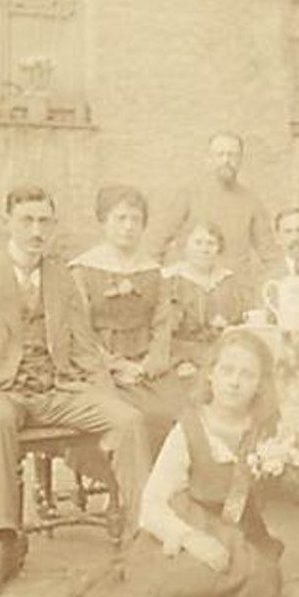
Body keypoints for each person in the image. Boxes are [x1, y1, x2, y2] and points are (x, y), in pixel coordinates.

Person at [0, 185, 151, 597]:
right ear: (8, 222)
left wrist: (105, 396)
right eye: (27, 220)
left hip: (58, 387)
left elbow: (86, 348)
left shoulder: (61, 276)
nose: (37, 230)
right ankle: (5, 543)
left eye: (44, 221)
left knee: (129, 420)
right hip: (3, 390)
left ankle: (141, 535)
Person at [51, 330, 285, 597]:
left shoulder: (265, 429)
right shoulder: (189, 428)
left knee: (261, 579)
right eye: (227, 371)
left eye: (247, 375)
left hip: (237, 532)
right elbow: (152, 506)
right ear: (211, 375)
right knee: (186, 574)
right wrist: (193, 539)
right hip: (185, 522)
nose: (234, 382)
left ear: (260, 384)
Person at [68, 184, 184, 447]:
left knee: (182, 415)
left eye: (136, 219)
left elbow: (162, 326)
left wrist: (147, 366)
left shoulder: (154, 272)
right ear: (103, 221)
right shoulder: (82, 270)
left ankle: (167, 486)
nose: (128, 227)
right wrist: (116, 366)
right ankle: (129, 485)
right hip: (101, 370)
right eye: (120, 218)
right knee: (133, 419)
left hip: (147, 370)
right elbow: (80, 333)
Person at [143, 131, 278, 277]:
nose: (226, 160)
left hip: (234, 286)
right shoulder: (189, 194)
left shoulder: (251, 201)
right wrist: (150, 279)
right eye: (220, 154)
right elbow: (158, 240)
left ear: (241, 160)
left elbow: (268, 251)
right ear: (208, 159)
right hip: (193, 285)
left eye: (233, 155)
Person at [161, 220, 251, 386]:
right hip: (181, 357)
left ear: (219, 248)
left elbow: (240, 321)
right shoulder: (171, 281)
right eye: (198, 243)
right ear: (185, 245)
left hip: (223, 355)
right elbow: (163, 333)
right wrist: (179, 361)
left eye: (211, 243)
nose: (205, 249)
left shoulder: (227, 280)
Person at [254, 206, 299, 335]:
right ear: (278, 238)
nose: (295, 238)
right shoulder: (266, 276)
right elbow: (263, 319)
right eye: (288, 232)